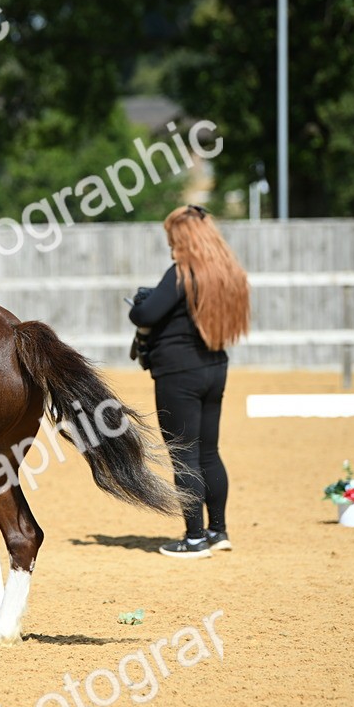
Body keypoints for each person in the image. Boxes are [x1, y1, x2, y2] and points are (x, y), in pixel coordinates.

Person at [128, 206, 250, 558]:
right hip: (215, 366)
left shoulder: (182, 273)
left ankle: (194, 539)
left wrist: (143, 301)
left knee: (184, 455)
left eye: (172, 239)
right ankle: (218, 531)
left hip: (179, 372)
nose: (170, 246)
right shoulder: (226, 275)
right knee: (209, 451)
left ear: (183, 239)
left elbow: (144, 315)